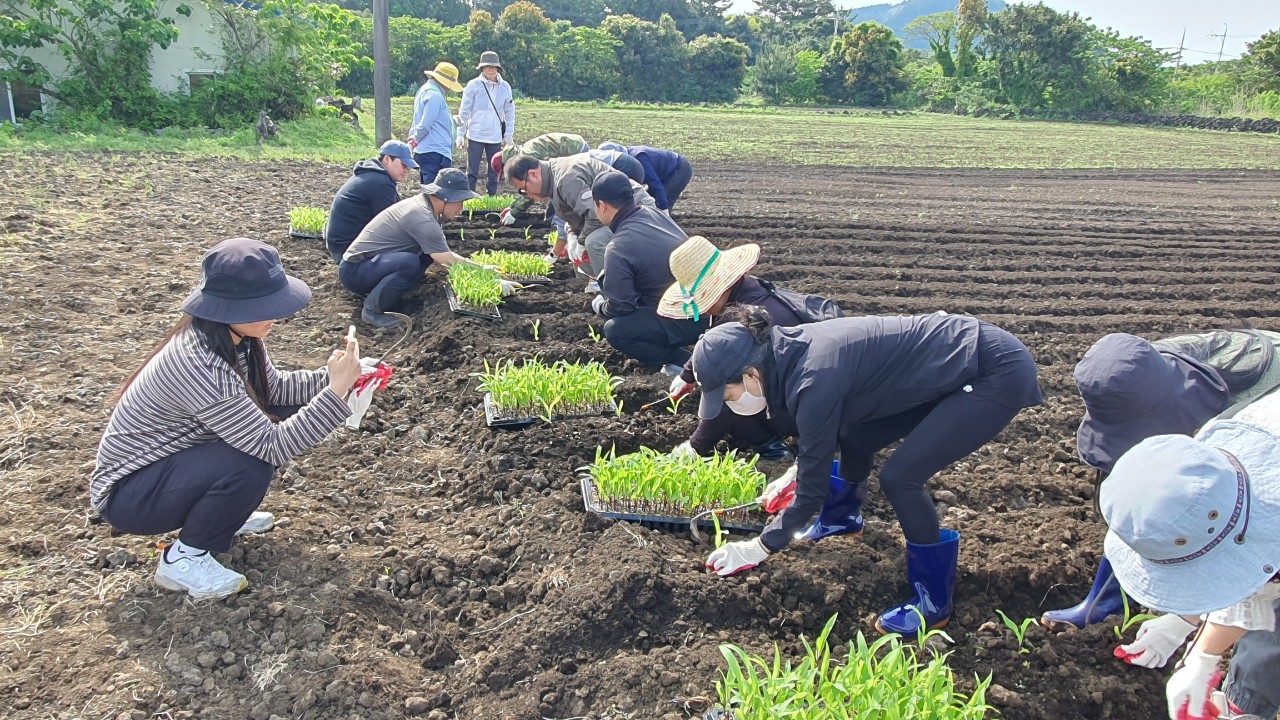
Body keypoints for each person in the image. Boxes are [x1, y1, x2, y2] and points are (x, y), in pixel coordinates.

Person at [696, 309, 1043, 635]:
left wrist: (760, 546)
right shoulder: (786, 349)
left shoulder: (813, 378)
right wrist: (796, 472)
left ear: (752, 373)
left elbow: (810, 493)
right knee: (855, 436)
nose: (730, 403)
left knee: (901, 477)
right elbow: (826, 433)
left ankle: (933, 601)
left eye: (729, 394)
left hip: (990, 369)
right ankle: (842, 520)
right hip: (943, 364)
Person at [89, 238, 363, 600]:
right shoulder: (200, 362)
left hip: (172, 468)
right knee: (250, 462)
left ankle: (220, 516)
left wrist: (338, 378)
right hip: (132, 496)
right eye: (263, 306)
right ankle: (183, 559)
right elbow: (271, 446)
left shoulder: (235, 336)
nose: (275, 315)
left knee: (273, 418)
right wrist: (334, 393)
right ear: (226, 305)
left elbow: (275, 391)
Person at [1041, 329, 1280, 629]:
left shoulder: (1258, 408)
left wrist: (1192, 630)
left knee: (1232, 506)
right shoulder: (1131, 373)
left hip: (1259, 422)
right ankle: (1108, 599)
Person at [1099, 413, 1280, 720]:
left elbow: (1259, 576)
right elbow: (1250, 573)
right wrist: (1184, 619)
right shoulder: (1210, 475)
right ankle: (1246, 704)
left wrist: (1203, 656)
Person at [657, 236, 842, 462]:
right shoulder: (752, 290)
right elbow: (717, 345)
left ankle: (773, 450)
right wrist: (688, 375)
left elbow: (725, 376)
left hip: (811, 410)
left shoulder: (737, 319)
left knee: (728, 396)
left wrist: (693, 447)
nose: (702, 311)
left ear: (718, 289)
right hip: (825, 399)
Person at [339, 168, 519, 328]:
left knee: (425, 255)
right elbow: (446, 259)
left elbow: (439, 253)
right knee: (408, 262)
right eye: (460, 201)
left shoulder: (424, 206)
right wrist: (486, 274)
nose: (461, 209)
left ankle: (394, 295)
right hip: (355, 271)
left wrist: (484, 270)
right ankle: (372, 311)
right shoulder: (421, 216)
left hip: (370, 265)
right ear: (447, 197)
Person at [588, 171, 705, 376]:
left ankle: (682, 361)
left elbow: (621, 306)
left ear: (602, 205)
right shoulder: (654, 213)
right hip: (708, 301)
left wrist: (599, 305)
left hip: (689, 316)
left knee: (616, 330)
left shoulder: (618, 246)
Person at [505, 153, 653, 280]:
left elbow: (595, 215)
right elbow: (577, 215)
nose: (528, 196)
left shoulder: (565, 179)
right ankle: (591, 285)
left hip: (634, 211)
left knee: (594, 242)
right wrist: (572, 234)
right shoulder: (554, 178)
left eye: (523, 190)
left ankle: (613, 292)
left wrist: (580, 241)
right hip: (612, 214)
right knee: (578, 244)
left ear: (533, 174)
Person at [324, 139, 416, 263]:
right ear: (387, 159)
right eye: (404, 165)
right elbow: (393, 224)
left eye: (409, 167)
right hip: (348, 251)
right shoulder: (380, 183)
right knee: (412, 257)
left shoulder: (372, 175)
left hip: (340, 245)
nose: (407, 170)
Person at [490, 132, 591, 226]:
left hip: (576, 152)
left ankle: (558, 225)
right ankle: (553, 222)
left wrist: (514, 212)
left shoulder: (526, 157)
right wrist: (512, 208)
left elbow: (533, 188)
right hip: (576, 147)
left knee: (559, 192)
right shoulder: (524, 152)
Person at [458, 51, 514, 196]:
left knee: (494, 171)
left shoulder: (505, 87)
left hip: (495, 136)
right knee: (472, 172)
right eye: (487, 66)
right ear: (482, 68)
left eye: (493, 67)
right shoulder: (473, 85)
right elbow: (464, 111)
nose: (490, 69)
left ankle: (492, 198)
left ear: (498, 68)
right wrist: (460, 134)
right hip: (475, 134)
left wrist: (509, 135)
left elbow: (509, 111)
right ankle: (468, 198)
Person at [407, 61, 463, 184]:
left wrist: (452, 121)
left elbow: (420, 119)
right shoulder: (434, 95)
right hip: (435, 153)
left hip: (429, 151)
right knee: (436, 193)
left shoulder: (425, 90)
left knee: (431, 190)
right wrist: (413, 141)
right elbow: (425, 123)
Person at [600, 141, 693, 214]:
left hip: (680, 169)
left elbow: (655, 183)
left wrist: (664, 209)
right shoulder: (628, 158)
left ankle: (666, 226)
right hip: (662, 173)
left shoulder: (639, 157)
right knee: (649, 202)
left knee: (663, 202)